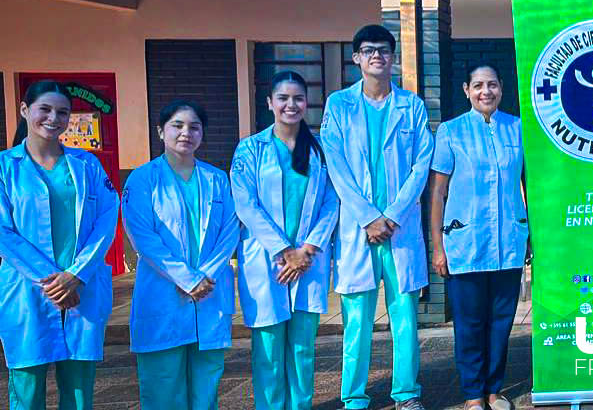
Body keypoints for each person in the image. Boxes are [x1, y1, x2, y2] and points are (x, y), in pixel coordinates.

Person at [320, 24, 434, 410]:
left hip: (398, 230)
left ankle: (406, 394)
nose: (376, 56)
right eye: (368, 50)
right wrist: (368, 217)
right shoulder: (338, 105)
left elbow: (422, 164)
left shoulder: (412, 105)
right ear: (356, 58)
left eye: (384, 50)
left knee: (405, 320)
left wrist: (393, 215)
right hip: (359, 230)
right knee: (357, 324)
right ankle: (354, 398)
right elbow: (335, 163)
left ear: (393, 56)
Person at [0, 81, 119, 409]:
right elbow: (3, 233)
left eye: (62, 112)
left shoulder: (87, 165)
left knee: (80, 389)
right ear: (25, 111)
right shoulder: (4, 168)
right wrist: (54, 281)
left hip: (83, 287)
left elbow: (107, 221)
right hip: (26, 290)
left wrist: (76, 275)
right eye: (45, 109)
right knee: (26, 386)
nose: (53, 118)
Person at [231, 71, 340, 410]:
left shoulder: (321, 149)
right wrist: (283, 250)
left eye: (297, 98)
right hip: (268, 261)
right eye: (283, 98)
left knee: (303, 348)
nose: (290, 105)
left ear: (307, 103)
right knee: (268, 347)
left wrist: (306, 249)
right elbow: (245, 203)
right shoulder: (250, 149)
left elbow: (332, 201)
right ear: (269, 103)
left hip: (308, 259)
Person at [122, 100, 240, 410]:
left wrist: (204, 277)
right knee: (163, 387)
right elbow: (142, 237)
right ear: (161, 131)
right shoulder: (143, 179)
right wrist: (186, 278)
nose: (186, 132)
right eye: (177, 125)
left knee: (206, 386)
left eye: (194, 126)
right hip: (164, 292)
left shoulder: (216, 179)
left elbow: (229, 232)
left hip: (208, 292)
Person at [427, 63, 527, 410]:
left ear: (501, 89)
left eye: (493, 85)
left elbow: (529, 184)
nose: (487, 92)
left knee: (501, 322)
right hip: (465, 244)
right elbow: (438, 192)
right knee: (470, 324)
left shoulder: (517, 129)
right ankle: (473, 395)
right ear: (467, 90)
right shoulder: (451, 132)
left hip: (508, 242)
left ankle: (493, 391)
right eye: (479, 86)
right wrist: (438, 247)